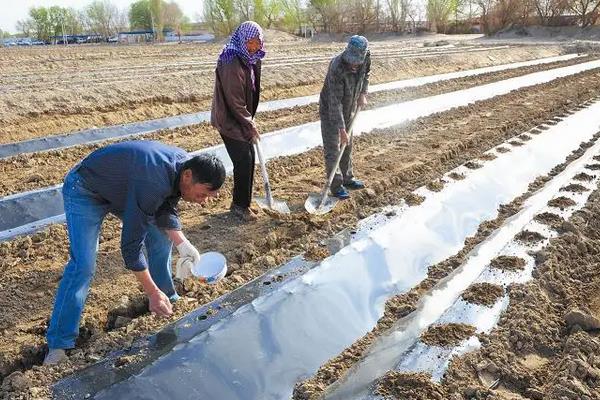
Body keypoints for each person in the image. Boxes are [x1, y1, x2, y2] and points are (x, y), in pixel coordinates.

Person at [44, 141, 226, 365]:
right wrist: (150, 292)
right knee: (83, 264)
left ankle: (167, 298)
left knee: (161, 237)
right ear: (188, 176)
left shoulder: (184, 167)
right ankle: (59, 343)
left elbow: (167, 205)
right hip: (86, 189)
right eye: (204, 194)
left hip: (125, 189)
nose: (204, 202)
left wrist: (182, 243)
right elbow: (131, 246)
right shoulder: (152, 181)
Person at [211, 21, 266, 221]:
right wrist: (249, 124)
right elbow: (234, 100)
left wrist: (249, 121)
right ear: (242, 40)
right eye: (250, 42)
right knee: (244, 159)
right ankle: (239, 207)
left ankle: (243, 203)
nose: (254, 47)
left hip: (242, 117)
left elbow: (251, 92)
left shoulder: (253, 58)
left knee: (249, 157)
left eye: (257, 43)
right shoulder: (231, 60)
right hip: (228, 118)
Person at [319, 35, 371, 200]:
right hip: (331, 109)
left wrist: (363, 93)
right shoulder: (337, 66)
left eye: (357, 61)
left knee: (347, 144)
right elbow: (335, 103)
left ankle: (347, 178)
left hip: (350, 105)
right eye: (352, 60)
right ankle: (335, 185)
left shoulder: (366, 57)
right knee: (333, 148)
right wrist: (341, 129)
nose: (354, 63)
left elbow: (366, 74)